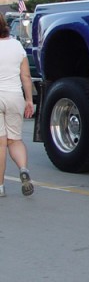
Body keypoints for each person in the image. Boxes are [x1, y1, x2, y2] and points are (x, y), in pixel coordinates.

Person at [0, 13, 35, 197]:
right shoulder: (16, 45)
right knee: (15, 140)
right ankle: (23, 169)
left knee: (0, 144)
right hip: (15, 96)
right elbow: (26, 76)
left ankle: (0, 186)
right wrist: (29, 99)